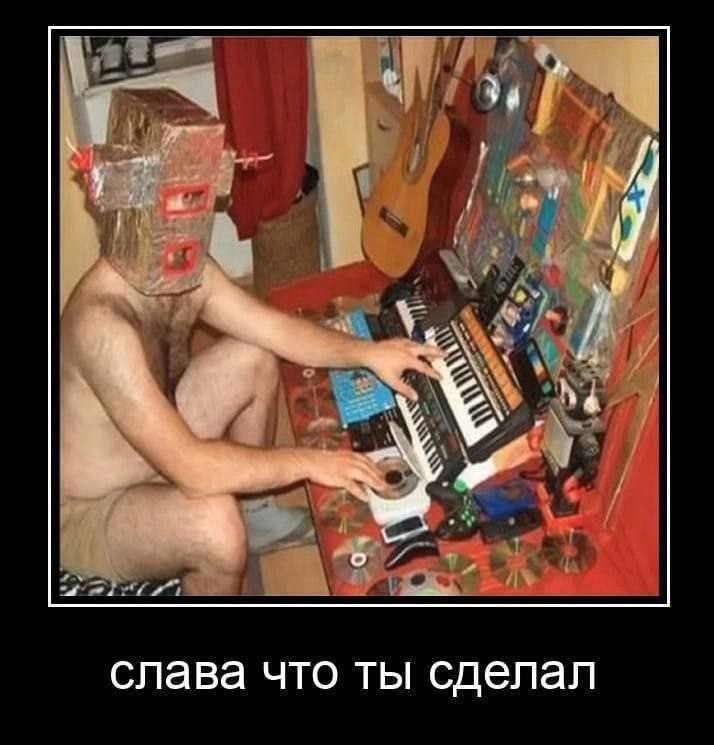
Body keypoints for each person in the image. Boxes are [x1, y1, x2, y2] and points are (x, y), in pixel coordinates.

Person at [60, 87, 442, 596]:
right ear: (137, 201)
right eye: (184, 199)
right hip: (92, 510)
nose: (196, 217)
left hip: (153, 447)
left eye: (200, 197)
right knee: (215, 528)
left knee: (255, 355)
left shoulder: (185, 270)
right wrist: (312, 461)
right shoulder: (102, 325)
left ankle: (258, 516)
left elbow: (276, 330)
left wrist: (369, 354)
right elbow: (192, 468)